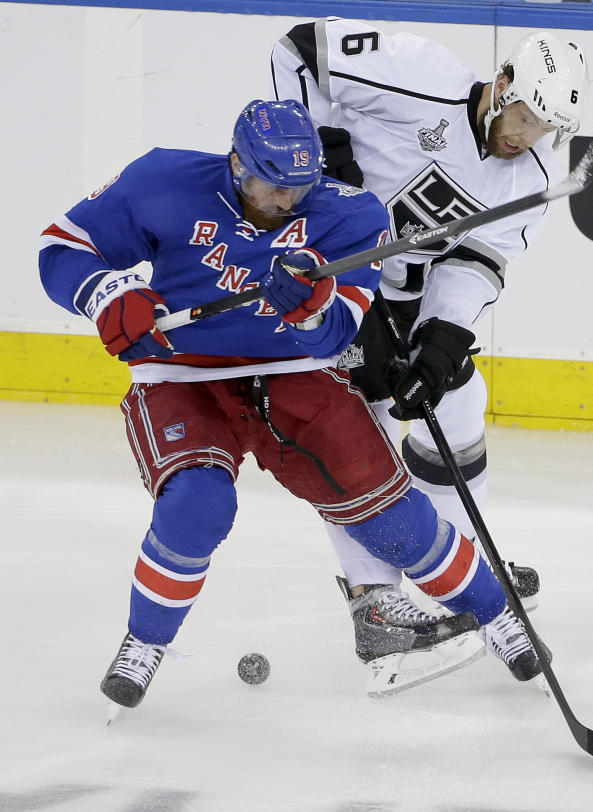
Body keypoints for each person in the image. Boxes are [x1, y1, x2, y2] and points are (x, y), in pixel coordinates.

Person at [39, 99, 547, 711]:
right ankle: (144, 642)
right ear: (236, 164)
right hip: (180, 373)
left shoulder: (352, 217)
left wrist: (307, 308)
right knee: (198, 504)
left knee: (389, 515)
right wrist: (106, 294)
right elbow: (62, 247)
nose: (287, 202)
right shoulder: (162, 181)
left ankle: (500, 619)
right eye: (272, 186)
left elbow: (336, 335)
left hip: (291, 372)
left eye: (301, 188)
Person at [271, 22, 589, 666]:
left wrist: (442, 346)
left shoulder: (534, 168)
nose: (527, 138)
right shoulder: (419, 72)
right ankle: (376, 603)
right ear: (502, 85)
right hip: (325, 271)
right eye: (525, 116)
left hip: (407, 293)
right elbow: (300, 48)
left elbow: (479, 258)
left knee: (460, 400)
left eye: (545, 129)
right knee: (360, 427)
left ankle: (463, 569)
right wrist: (325, 147)